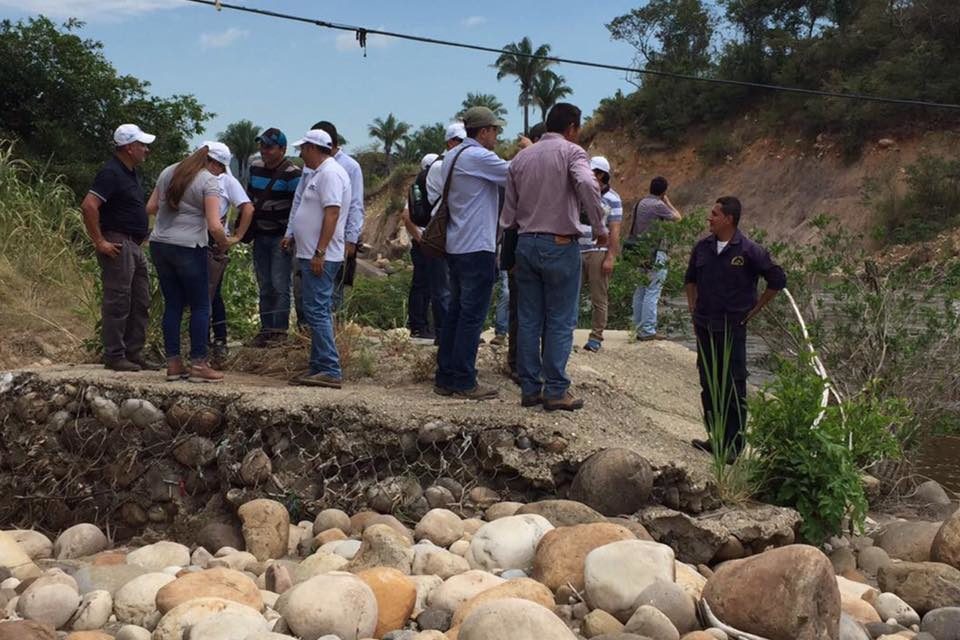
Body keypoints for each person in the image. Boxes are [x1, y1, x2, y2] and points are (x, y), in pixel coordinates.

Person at [501, 103, 607, 411]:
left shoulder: (522, 157)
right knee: (560, 319)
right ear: (571, 128)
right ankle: (556, 389)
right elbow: (586, 182)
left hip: (525, 243)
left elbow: (509, 211)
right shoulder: (572, 152)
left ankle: (530, 388)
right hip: (559, 244)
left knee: (529, 319)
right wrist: (598, 225)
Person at [685, 196, 786, 458]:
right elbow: (690, 279)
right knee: (709, 384)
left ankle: (734, 446)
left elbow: (777, 280)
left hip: (732, 328)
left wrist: (755, 309)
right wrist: (693, 309)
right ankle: (715, 438)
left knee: (733, 385)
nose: (710, 218)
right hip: (705, 326)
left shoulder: (750, 251)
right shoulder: (702, 248)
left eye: (714, 214)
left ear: (728, 219)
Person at [434, 107, 511, 399]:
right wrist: (531, 150)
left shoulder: (453, 156)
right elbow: (515, 173)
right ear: (484, 131)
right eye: (495, 130)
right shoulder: (477, 156)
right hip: (477, 246)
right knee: (472, 317)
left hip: (456, 245)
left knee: (456, 313)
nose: (497, 136)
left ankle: (445, 376)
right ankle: (465, 380)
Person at [146, 146, 239, 382]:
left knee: (173, 304)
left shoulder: (169, 171)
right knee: (200, 305)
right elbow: (214, 225)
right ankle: (199, 363)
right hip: (189, 246)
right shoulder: (208, 181)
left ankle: (173, 364)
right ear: (214, 163)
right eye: (220, 169)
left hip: (160, 244)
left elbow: (151, 208)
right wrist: (225, 242)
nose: (219, 174)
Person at [81, 124, 158, 372]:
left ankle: (133, 352)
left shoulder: (130, 173)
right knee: (118, 300)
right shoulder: (111, 172)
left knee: (140, 299)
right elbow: (89, 205)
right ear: (129, 147)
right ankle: (114, 354)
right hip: (118, 241)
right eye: (142, 145)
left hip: (133, 244)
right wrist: (100, 241)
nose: (146, 149)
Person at [286, 129, 351, 389]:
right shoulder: (319, 173)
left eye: (303, 149)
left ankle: (330, 368)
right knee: (315, 309)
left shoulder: (330, 174)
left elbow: (332, 213)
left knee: (317, 310)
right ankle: (318, 366)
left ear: (313, 148)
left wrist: (320, 251)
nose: (301, 154)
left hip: (322, 255)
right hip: (312, 253)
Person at [500, 122, 546, 382]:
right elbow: (511, 214)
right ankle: (517, 364)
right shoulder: (520, 166)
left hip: (537, 249)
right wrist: (509, 259)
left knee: (540, 312)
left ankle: (535, 364)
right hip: (520, 248)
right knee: (521, 311)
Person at [200, 141, 254, 364]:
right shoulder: (193, 178)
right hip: (192, 238)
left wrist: (236, 237)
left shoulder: (226, 181)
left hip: (214, 240)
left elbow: (247, 207)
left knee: (212, 292)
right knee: (197, 293)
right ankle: (201, 341)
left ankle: (219, 340)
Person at [247, 128, 301, 347]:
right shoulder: (255, 168)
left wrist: (291, 235)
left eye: (269, 147)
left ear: (282, 149)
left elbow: (298, 207)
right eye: (262, 146)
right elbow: (249, 198)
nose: (264, 150)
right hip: (260, 235)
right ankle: (266, 330)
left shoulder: (292, 174)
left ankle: (279, 333)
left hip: (281, 238)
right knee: (265, 285)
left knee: (280, 285)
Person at [578, 156, 623, 352]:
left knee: (598, 296)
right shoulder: (580, 192)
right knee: (571, 296)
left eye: (593, 172)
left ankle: (596, 337)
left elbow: (615, 229)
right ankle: (565, 334)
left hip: (598, 251)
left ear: (601, 175)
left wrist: (611, 257)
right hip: (576, 249)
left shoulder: (613, 198)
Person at [630, 176, 682, 340]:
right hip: (656, 253)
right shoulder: (659, 205)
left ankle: (637, 327)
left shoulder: (640, 204)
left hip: (639, 252)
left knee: (640, 290)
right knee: (652, 291)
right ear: (664, 191)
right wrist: (668, 202)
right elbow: (678, 218)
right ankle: (648, 330)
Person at [401, 152, 443, 343]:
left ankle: (426, 325)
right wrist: (421, 239)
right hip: (425, 243)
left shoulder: (420, 187)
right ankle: (418, 325)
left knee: (429, 285)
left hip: (426, 242)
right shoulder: (420, 188)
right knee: (423, 285)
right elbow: (406, 216)